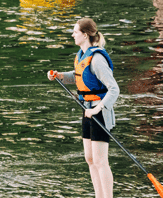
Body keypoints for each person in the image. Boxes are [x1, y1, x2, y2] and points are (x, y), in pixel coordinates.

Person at [47, 18, 120, 198]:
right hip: (87, 109)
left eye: (75, 32)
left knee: (100, 161)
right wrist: (61, 76)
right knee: (89, 158)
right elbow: (80, 76)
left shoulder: (96, 59)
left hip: (99, 112)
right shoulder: (81, 55)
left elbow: (114, 89)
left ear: (85, 35)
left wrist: (97, 109)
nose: (72, 34)